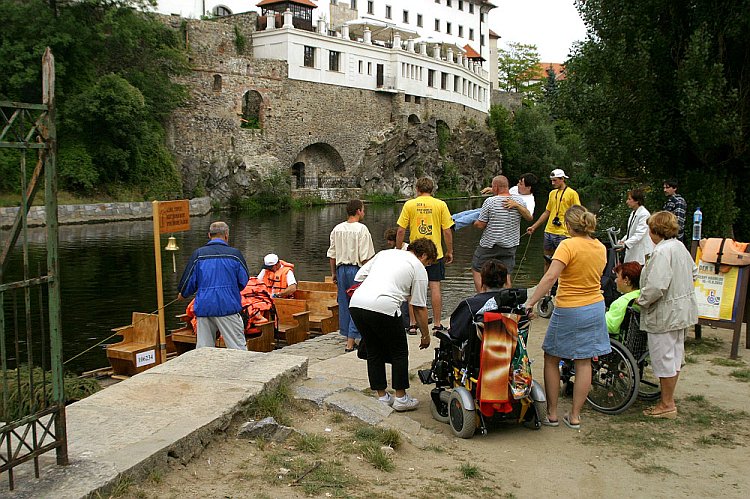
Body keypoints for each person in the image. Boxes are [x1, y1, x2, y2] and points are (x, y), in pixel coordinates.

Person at [524, 205, 611, 430]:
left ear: (568, 225)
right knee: (584, 361)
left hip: (570, 307)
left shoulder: (567, 246)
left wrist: (531, 302)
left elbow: (551, 276)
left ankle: (552, 413)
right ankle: (575, 416)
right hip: (594, 306)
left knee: (552, 357)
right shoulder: (600, 247)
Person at [349, 238, 438, 411]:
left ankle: (382, 396)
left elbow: (359, 275)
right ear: (424, 255)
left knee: (374, 350)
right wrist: (425, 335)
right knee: (399, 351)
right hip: (384, 305)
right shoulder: (418, 267)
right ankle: (401, 397)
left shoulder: (385, 253)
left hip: (357, 304)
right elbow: (419, 306)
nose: (427, 266)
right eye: (428, 263)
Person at [636, 211, 698, 419]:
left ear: (655, 230)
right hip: (682, 310)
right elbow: (694, 272)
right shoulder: (679, 247)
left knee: (663, 358)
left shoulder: (662, 252)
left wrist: (641, 300)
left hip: (666, 313)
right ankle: (667, 398)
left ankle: (666, 404)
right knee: (675, 356)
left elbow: (656, 286)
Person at [177, 221, 250, 350]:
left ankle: (205, 370)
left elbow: (188, 281)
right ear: (226, 235)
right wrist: (230, 290)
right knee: (237, 348)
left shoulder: (198, 254)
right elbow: (243, 280)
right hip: (228, 306)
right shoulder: (235, 255)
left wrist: (183, 294)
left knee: (204, 349)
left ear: (209, 235)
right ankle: (241, 370)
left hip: (205, 306)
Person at [396, 177, 454, 332]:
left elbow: (401, 230)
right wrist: (449, 251)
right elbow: (447, 231)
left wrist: (397, 249)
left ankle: (413, 325)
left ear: (417, 189)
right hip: (435, 253)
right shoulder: (440, 205)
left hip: (415, 254)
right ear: (432, 189)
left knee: (412, 289)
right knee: (435, 287)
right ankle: (436, 324)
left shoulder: (410, 204)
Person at [327, 199, 376, 352]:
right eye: (363, 209)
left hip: (341, 270)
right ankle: (351, 342)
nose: (364, 212)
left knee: (344, 303)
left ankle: (348, 334)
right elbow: (366, 256)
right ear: (358, 211)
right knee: (358, 304)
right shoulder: (361, 229)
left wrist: (334, 273)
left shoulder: (337, 229)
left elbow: (332, 255)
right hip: (357, 270)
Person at [472, 175, 532, 291]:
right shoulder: (518, 201)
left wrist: (474, 222)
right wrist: (517, 206)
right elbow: (529, 217)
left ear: (495, 187)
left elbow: (480, 225)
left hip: (489, 245)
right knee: (506, 273)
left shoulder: (490, 201)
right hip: (509, 246)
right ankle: (506, 300)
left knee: (477, 268)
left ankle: (481, 297)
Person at [526, 168, 581, 272]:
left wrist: (577, 231)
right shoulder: (552, 193)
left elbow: (578, 212)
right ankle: (546, 284)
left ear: (562, 179)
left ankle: (560, 284)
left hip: (564, 232)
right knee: (547, 259)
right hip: (549, 230)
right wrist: (534, 227)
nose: (552, 183)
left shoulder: (572, 193)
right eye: (552, 180)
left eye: (555, 180)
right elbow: (547, 212)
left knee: (562, 260)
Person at [448, 259, 509, 343]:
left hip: (480, 353)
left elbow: (456, 333)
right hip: (509, 351)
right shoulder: (515, 306)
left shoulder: (470, 305)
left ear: (482, 282)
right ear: (505, 282)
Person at [453, 172, 537, 230]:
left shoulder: (529, 200)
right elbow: (504, 193)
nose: (518, 185)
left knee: (476, 215)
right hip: (495, 208)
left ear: (528, 187)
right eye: (518, 183)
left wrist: (517, 205)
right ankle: (450, 218)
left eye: (521, 184)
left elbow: (529, 217)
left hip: (502, 217)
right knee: (472, 211)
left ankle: (454, 225)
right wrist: (492, 189)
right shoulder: (515, 189)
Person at [618, 188, 654, 265]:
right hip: (633, 252)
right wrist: (622, 241)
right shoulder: (634, 213)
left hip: (641, 253)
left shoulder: (644, 214)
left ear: (637, 201)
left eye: (629, 199)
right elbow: (630, 232)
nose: (627, 202)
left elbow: (640, 234)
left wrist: (625, 244)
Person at [605, 262, 642, 335]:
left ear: (626, 280)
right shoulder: (641, 296)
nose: (615, 281)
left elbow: (610, 326)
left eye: (617, 277)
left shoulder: (621, 302)